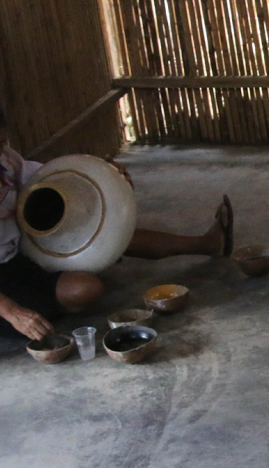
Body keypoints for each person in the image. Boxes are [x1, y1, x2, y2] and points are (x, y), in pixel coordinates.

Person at [0, 112, 233, 340]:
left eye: (1, 143)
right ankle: (39, 307)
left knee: (108, 234)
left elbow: (45, 178)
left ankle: (207, 244)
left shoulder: (6, 159)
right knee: (84, 289)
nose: (0, 152)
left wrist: (107, 174)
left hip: (20, 249)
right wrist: (13, 312)